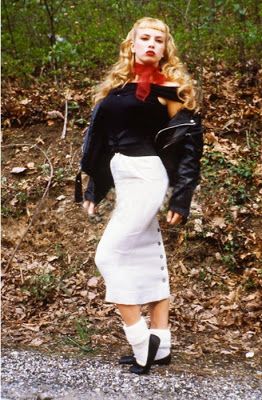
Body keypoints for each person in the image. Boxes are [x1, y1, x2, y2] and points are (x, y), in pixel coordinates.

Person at [75, 17, 203, 375]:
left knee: (109, 254)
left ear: (165, 48)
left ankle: (141, 342)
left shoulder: (169, 88)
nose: (151, 44)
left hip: (148, 174)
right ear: (130, 43)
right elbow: (102, 142)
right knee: (147, 252)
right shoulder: (117, 88)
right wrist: (95, 188)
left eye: (158, 40)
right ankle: (161, 343)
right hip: (123, 174)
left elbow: (189, 146)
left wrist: (182, 196)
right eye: (144, 38)